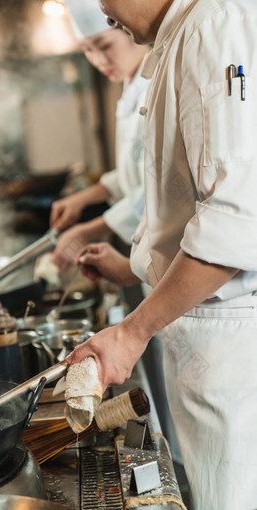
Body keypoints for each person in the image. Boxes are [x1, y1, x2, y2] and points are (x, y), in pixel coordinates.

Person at [67, 1, 257, 509]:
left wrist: (131, 332)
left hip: (232, 335)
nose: (105, 14)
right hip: (203, 327)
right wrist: (132, 264)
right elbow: (183, 202)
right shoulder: (183, 34)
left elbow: (236, 223)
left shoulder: (214, 26)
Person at [50, 0, 150, 271]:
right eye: (87, 50)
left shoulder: (153, 88)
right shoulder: (131, 90)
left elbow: (155, 191)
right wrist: (83, 198)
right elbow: (133, 174)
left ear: (129, 31)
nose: (98, 60)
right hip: (150, 258)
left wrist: (86, 231)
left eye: (104, 46)